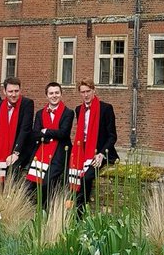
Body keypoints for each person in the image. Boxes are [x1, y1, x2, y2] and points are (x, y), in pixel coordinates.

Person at [69, 79, 119, 212]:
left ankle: (79, 213)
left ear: (94, 91)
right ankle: (72, 208)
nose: (85, 95)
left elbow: (112, 136)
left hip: (100, 151)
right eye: (82, 92)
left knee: (86, 177)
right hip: (83, 150)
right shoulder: (79, 109)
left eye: (88, 91)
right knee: (73, 174)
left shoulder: (106, 108)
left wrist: (101, 153)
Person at [27, 81, 74, 203]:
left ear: (61, 94)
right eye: (51, 93)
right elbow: (35, 134)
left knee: (46, 183)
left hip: (59, 153)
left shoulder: (68, 113)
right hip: (42, 152)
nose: (54, 96)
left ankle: (46, 208)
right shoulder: (40, 113)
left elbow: (63, 133)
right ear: (46, 96)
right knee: (30, 185)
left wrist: (46, 131)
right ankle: (36, 209)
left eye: (57, 93)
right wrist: (51, 134)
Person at [0, 77, 34, 186]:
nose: (14, 94)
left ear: (20, 90)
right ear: (4, 91)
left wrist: (16, 153)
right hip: (1, 148)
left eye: (16, 91)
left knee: (13, 171)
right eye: (10, 91)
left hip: (20, 148)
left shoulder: (27, 104)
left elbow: (25, 130)